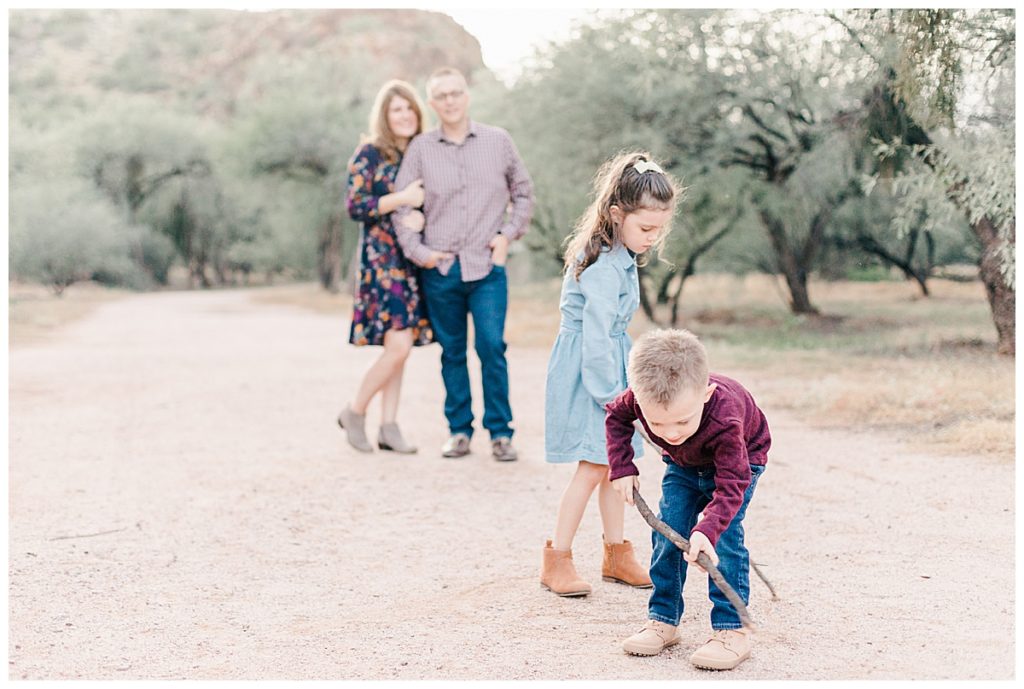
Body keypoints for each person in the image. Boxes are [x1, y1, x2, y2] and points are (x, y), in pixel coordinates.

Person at [540, 151, 682, 597]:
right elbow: (598, 337)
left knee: (612, 465)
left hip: (608, 361)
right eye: (646, 228)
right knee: (591, 466)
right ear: (616, 213)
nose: (653, 237)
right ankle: (556, 558)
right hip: (591, 370)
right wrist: (612, 396)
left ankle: (616, 553)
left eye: (659, 229)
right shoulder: (602, 265)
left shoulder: (619, 252)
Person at [392, 66, 534, 462]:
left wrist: (507, 236)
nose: (450, 101)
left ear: (466, 96)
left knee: (491, 346)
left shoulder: (498, 141)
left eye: (456, 93)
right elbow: (401, 207)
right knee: (452, 351)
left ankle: (501, 434)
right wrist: (421, 254)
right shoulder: (420, 149)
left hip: (488, 267)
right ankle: (458, 432)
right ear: (432, 103)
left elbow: (524, 193)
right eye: (442, 95)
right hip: (440, 270)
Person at [608, 328, 771, 671]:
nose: (671, 433)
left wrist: (708, 528)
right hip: (683, 465)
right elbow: (616, 416)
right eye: (657, 423)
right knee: (669, 532)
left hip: (739, 465)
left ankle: (732, 629)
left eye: (682, 420)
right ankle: (663, 619)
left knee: (724, 540)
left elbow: (731, 483)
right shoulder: (637, 400)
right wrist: (622, 466)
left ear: (706, 393)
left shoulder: (726, 416)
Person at [337, 79, 433, 455]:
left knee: (402, 346)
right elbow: (356, 206)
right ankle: (355, 411)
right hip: (382, 262)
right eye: (397, 110)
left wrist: (422, 218)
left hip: (411, 262)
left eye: (409, 109)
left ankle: (389, 426)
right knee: (398, 346)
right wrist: (401, 199)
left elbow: (426, 204)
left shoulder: (420, 152)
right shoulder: (370, 153)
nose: (405, 115)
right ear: (385, 115)